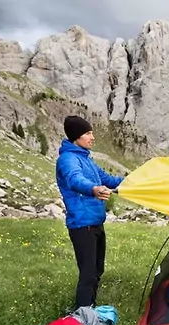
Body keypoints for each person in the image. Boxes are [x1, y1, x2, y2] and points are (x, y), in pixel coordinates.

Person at [56, 115, 124, 309]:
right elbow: (75, 179)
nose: (92, 137)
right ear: (76, 137)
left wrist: (135, 180)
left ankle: (89, 307)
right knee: (88, 272)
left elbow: (109, 179)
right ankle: (82, 313)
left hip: (95, 222)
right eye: (87, 133)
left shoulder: (87, 159)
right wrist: (93, 189)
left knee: (97, 269)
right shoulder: (67, 159)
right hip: (82, 224)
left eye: (92, 133)